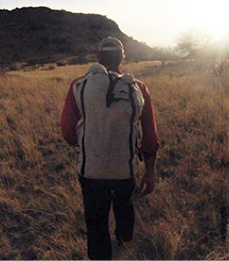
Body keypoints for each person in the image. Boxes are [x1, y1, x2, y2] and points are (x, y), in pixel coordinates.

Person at [61, 37, 160, 261]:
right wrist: (150, 173)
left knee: (96, 222)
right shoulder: (139, 88)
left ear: (98, 58)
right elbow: (150, 139)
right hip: (126, 171)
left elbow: (68, 133)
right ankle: (124, 243)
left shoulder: (78, 85)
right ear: (122, 57)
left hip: (90, 171)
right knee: (125, 207)